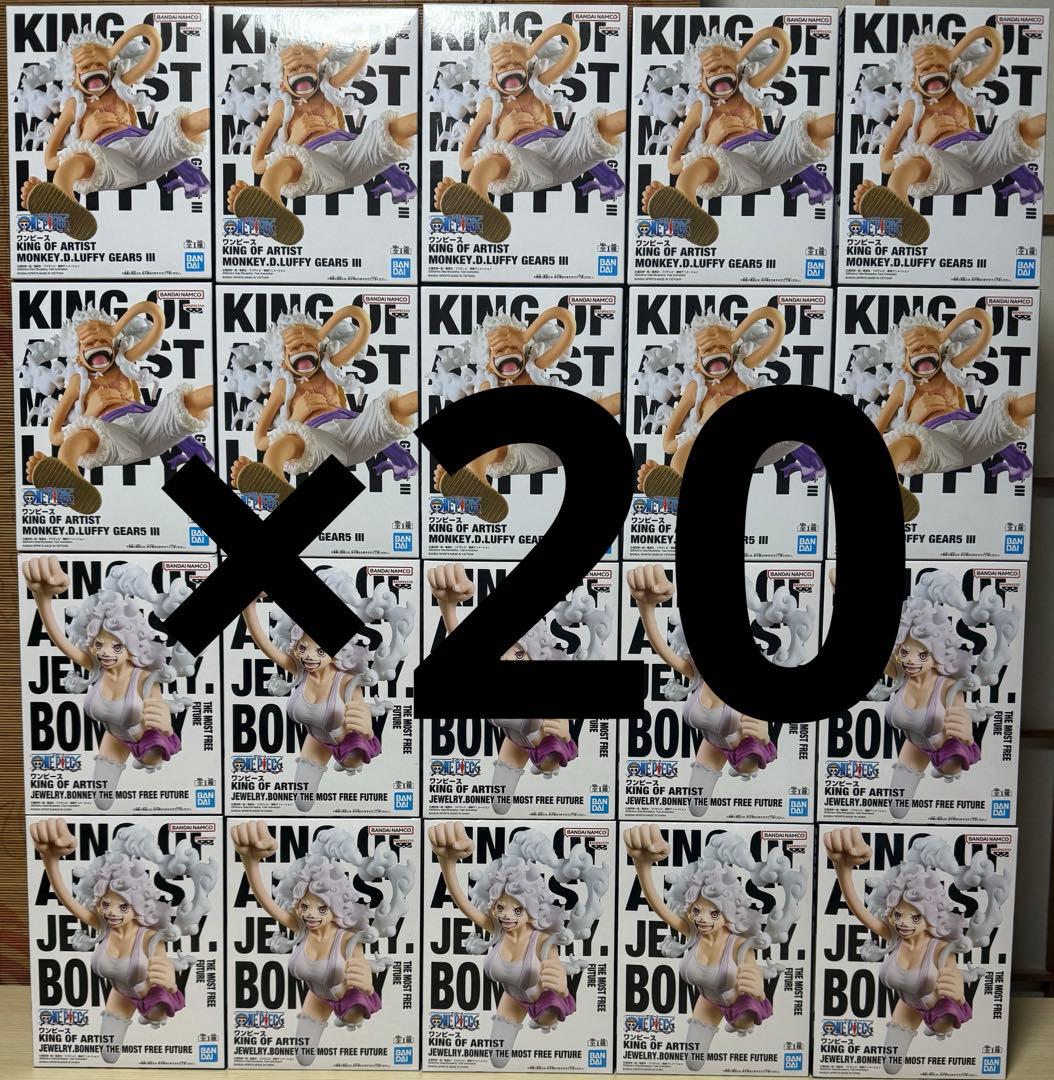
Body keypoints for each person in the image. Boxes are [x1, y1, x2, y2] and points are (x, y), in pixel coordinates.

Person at [824, 827, 1011, 1074]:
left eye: (915, 918)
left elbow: (953, 980)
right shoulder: (894, 936)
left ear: (931, 916)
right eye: (897, 914)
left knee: (943, 1025)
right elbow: (859, 910)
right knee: (890, 1066)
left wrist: (959, 995)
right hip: (908, 1005)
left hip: (939, 1009)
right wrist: (842, 869)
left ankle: (936, 1028)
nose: (903, 923)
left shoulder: (940, 946)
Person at [29, 817, 215, 1063]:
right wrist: (49, 860)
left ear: (138, 905)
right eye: (106, 904)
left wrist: (171, 984)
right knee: (108, 1054)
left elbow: (164, 970)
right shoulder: (104, 926)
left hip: (152, 998)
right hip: (121, 993)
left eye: (123, 906)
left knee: (157, 1014)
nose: (112, 913)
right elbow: (69, 901)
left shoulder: (149, 936)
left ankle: (155, 1019)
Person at [230, 821, 414, 1066]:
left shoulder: (347, 937)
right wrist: (249, 862)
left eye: (322, 908)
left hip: (349, 999)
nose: (310, 914)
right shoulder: (302, 928)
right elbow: (267, 903)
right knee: (304, 1057)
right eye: (304, 906)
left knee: (352, 1016)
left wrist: (368, 985)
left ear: (336, 906)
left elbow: (361, 972)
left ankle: (348, 1019)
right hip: (317, 996)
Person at [427, 821, 608, 1067]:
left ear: (532, 909)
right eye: (500, 907)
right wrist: (446, 863)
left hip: (543, 1001)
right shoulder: (498, 929)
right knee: (498, 1060)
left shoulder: (542, 939)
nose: (506, 916)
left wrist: (562, 987)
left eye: (518, 910)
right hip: (512, 997)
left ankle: (544, 1021)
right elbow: (464, 904)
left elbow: (556, 976)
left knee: (547, 1017)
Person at [625, 824, 803, 1071]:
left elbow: (752, 982)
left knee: (743, 1022)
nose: (702, 919)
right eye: (696, 910)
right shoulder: (693, 932)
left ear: (728, 913)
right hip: (708, 1001)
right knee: (693, 1062)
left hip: (740, 1005)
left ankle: (739, 1025)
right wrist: (642, 865)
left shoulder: (739, 943)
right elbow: (659, 907)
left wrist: (758, 992)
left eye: (714, 913)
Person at [22, 557, 196, 809]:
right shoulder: (97, 667)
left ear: (132, 646)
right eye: (98, 644)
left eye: (116, 647)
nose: (105, 652)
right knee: (102, 802)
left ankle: (148, 760)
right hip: (115, 737)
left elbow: (159, 714)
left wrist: (167, 727)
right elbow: (61, 641)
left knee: (151, 758)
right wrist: (42, 599)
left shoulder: (144, 677)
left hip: (148, 741)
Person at [637, 28, 834, 247]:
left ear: (737, 70)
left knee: (809, 129)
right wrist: (712, 139)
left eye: (726, 66)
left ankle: (841, 119)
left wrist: (739, 55)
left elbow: (782, 43)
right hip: (734, 163)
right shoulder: (700, 109)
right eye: (713, 69)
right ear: (700, 80)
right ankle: (686, 210)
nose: (721, 71)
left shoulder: (746, 90)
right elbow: (674, 165)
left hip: (772, 153)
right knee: (693, 171)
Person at [430, 24, 625, 242]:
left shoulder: (536, 86)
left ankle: (632, 117)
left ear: (527, 64)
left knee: (599, 127)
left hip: (563, 150)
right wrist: (503, 136)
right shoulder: (490, 105)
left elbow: (571, 43)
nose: (511, 69)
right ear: (490, 74)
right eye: (503, 66)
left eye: (517, 63)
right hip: (524, 160)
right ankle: (477, 206)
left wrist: (531, 50)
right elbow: (465, 161)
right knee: (483, 169)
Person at [850, 27, 1045, 246]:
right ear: (913, 77)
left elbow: (994, 45)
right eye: (926, 68)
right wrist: (924, 138)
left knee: (1021, 130)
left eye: (939, 66)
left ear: (950, 68)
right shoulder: (912, 107)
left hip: (983, 152)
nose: (934, 70)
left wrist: (954, 53)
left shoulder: (959, 90)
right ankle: (897, 212)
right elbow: (885, 164)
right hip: (945, 162)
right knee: (902, 173)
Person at [15, 25, 209, 241]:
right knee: (68, 168)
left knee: (182, 125)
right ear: (73, 76)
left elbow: (153, 40)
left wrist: (113, 50)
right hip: (109, 158)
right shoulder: (73, 105)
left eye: (100, 64)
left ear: (110, 65)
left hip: (146, 148)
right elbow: (51, 161)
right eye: (86, 66)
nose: (94, 68)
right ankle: (66, 209)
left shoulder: (119, 86)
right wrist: (87, 135)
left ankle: (216, 115)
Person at [21, 302, 213, 516]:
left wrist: (115, 328)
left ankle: (221, 392)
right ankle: (68, 479)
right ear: (77, 354)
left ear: (114, 344)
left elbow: (156, 318)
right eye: (90, 343)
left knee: (185, 401)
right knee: (75, 441)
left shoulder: (123, 363)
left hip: (150, 425)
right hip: (113, 435)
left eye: (103, 340)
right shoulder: (78, 381)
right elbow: (55, 435)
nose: (98, 345)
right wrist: (92, 411)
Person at [429, 309, 620, 522]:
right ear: (488, 360)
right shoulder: (487, 385)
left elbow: (567, 322)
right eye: (500, 350)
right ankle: (475, 482)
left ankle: (626, 398)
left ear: (524, 348)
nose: (508, 352)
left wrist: (527, 334)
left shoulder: (532, 368)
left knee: (599, 407)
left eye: (514, 347)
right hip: (523, 451)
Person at [223, 41, 417, 246]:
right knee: (276, 172)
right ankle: (270, 211)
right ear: (282, 81)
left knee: (389, 129)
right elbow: (258, 164)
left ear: (317, 70)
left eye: (308, 67)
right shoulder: (282, 108)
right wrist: (295, 139)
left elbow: (360, 59)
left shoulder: (327, 90)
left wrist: (350, 41)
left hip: (354, 152)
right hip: (316, 163)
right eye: (294, 69)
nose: (302, 72)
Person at [227, 306, 418, 504]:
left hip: (355, 430)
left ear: (319, 347)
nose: (303, 350)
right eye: (294, 348)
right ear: (282, 359)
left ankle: (429, 398)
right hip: (318, 438)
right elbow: (260, 441)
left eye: (308, 345)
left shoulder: (329, 367)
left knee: (392, 408)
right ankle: (275, 488)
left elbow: (362, 322)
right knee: (277, 449)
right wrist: (297, 416)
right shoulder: (284, 385)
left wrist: (321, 333)